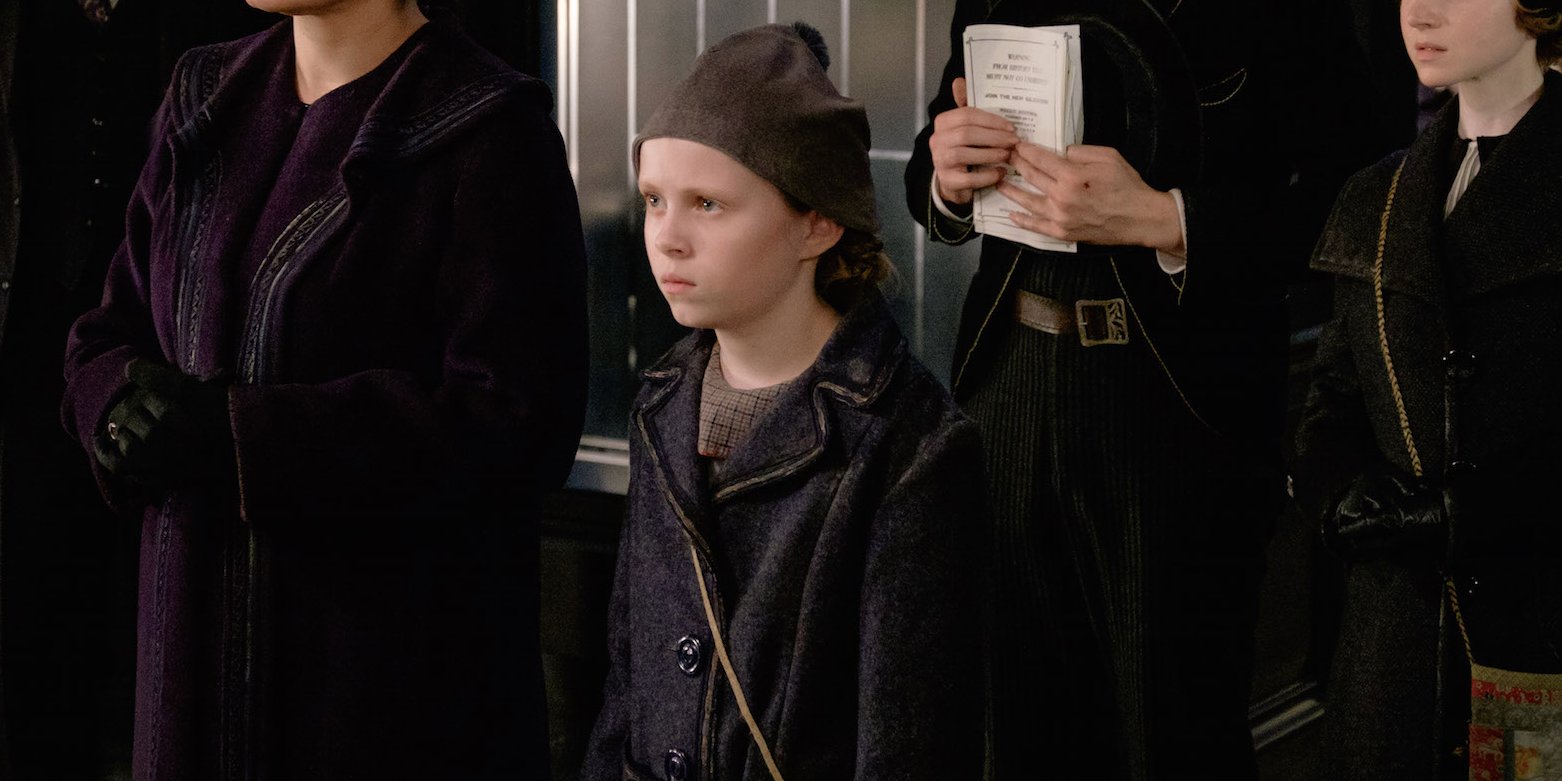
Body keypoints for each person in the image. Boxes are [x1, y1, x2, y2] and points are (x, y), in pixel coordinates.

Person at [57, 0, 588, 777]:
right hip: (186, 677)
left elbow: (517, 421)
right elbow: (110, 328)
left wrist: (242, 435)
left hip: (378, 699)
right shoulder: (205, 93)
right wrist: (113, 404)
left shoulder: (489, 129)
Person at [580, 22, 985, 781]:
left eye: (708, 204)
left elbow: (906, 747)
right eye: (655, 199)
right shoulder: (663, 406)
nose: (666, 237)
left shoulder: (909, 448)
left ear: (818, 222)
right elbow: (628, 685)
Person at [904, 0, 1288, 778]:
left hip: (1176, 402)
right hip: (1007, 380)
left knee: (1173, 735)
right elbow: (931, 165)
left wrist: (1167, 218)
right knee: (1011, 728)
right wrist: (944, 176)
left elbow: (1347, 190)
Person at [0, 1, 269, 777]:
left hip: (167, 343)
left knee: (159, 608)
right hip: (27, 339)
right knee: (33, 599)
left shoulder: (208, 19)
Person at [1294, 0, 1562, 777]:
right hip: (1395, 647)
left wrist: (1472, 511)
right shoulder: (1376, 195)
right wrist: (1340, 493)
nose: (1422, 10)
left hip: (1537, 636)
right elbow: (1333, 399)